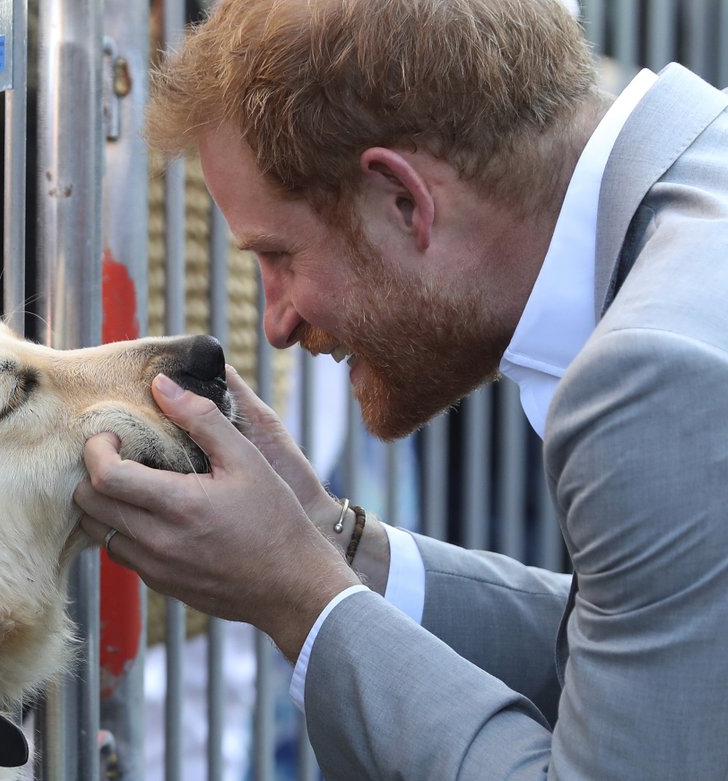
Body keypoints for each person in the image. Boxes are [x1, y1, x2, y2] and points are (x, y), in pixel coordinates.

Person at [73, 0, 728, 778]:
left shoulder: (652, 377)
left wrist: (299, 596)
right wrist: (333, 541)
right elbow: (655, 657)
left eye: (279, 255)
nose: (275, 322)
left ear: (405, 201)